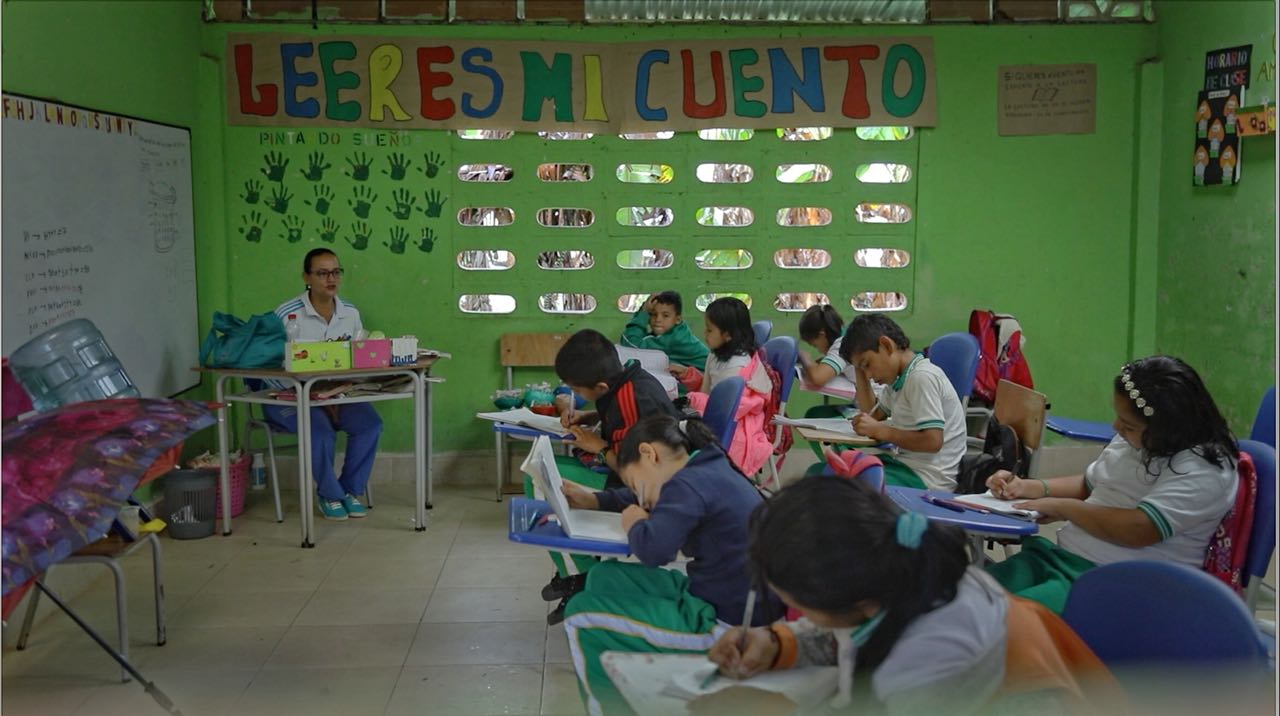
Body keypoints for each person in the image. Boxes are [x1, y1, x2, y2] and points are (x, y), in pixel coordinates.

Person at [702, 477, 1120, 716]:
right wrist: (777, 644)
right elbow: (860, 631)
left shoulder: (934, 657)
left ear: (847, 599)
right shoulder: (906, 575)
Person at [559, 415, 783, 716]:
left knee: (579, 614)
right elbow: (652, 495)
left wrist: (636, 522)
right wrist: (596, 500)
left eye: (638, 485)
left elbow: (653, 551)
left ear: (649, 454)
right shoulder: (705, 466)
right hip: (719, 598)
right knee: (604, 575)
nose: (641, 498)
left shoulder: (688, 485)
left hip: (729, 629)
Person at [986, 356, 1239, 613]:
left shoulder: (1205, 469)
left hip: (1117, 584)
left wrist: (1064, 508)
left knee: (1003, 621)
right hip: (1062, 561)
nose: (1117, 427)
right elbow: (1090, 485)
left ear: (1168, 428)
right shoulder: (1136, 439)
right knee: (968, 597)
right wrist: (1028, 487)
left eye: (1128, 425)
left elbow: (1139, 529)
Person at [529, 329, 680, 623]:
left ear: (599, 386)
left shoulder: (632, 399)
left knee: (540, 479)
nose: (578, 396)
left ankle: (582, 576)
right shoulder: (628, 379)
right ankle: (577, 572)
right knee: (546, 474)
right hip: (635, 479)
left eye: (578, 390)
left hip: (639, 491)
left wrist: (597, 447)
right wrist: (590, 417)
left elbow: (636, 471)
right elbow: (616, 414)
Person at [264, 248, 381, 521]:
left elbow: (355, 358)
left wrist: (337, 393)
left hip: (336, 396)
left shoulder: (350, 313)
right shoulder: (286, 315)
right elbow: (267, 368)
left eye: (336, 272)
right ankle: (329, 494)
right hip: (288, 397)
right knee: (320, 432)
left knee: (370, 424)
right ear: (306, 276)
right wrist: (311, 396)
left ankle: (349, 490)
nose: (331, 279)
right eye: (322, 273)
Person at [832, 314, 966, 491]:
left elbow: (933, 441)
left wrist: (881, 431)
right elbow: (873, 414)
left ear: (887, 345)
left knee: (844, 486)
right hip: (906, 467)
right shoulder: (897, 381)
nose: (869, 375)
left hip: (928, 479)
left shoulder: (921, 378)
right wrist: (858, 369)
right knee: (831, 472)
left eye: (867, 364)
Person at [671, 297, 775, 476]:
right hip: (714, 414)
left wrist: (691, 400)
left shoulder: (737, 367)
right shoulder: (716, 354)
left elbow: (721, 408)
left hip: (733, 427)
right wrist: (688, 374)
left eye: (710, 330)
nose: (705, 333)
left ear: (727, 335)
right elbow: (709, 389)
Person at [619, 291, 709, 370]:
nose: (658, 319)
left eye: (665, 316)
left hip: (708, 376)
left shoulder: (674, 338)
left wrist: (644, 312)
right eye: (653, 314)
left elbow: (631, 343)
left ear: (678, 319)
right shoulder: (676, 331)